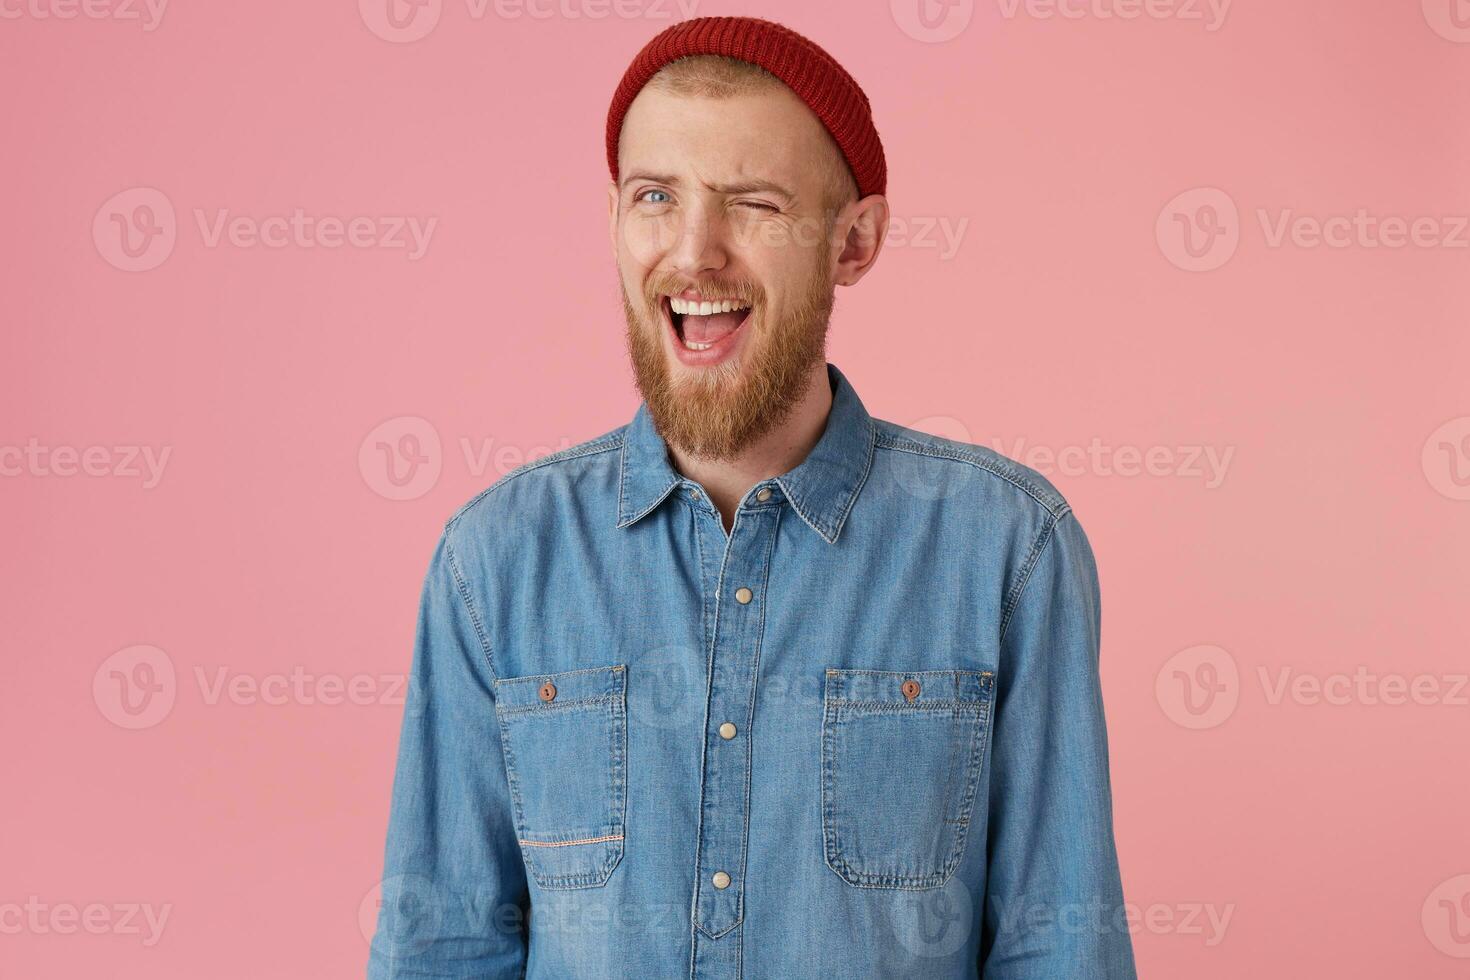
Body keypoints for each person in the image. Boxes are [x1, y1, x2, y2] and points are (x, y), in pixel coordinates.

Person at [368, 16, 1136, 979]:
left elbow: (1060, 948)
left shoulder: (1008, 550)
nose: (696, 254)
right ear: (614, 221)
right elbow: (443, 950)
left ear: (854, 242)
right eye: (657, 197)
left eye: (755, 205)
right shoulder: (494, 561)